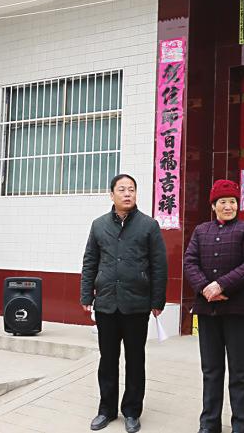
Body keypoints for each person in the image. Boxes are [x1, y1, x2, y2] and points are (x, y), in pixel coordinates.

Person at [80, 174, 168, 433]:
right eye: (122, 189)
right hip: (106, 303)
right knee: (107, 359)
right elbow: (90, 261)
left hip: (136, 304)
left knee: (135, 359)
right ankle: (106, 410)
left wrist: (157, 300)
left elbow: (159, 265)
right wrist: (86, 295)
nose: (127, 193)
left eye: (131, 189)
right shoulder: (98, 225)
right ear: (112, 195)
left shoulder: (149, 225)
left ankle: (132, 411)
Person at [183, 179, 244, 433]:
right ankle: (209, 423)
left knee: (239, 371)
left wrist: (221, 285)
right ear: (213, 205)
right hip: (208, 309)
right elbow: (189, 261)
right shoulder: (201, 231)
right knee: (211, 369)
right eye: (223, 202)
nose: (228, 206)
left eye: (233, 202)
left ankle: (241, 425)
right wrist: (205, 287)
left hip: (239, 311)